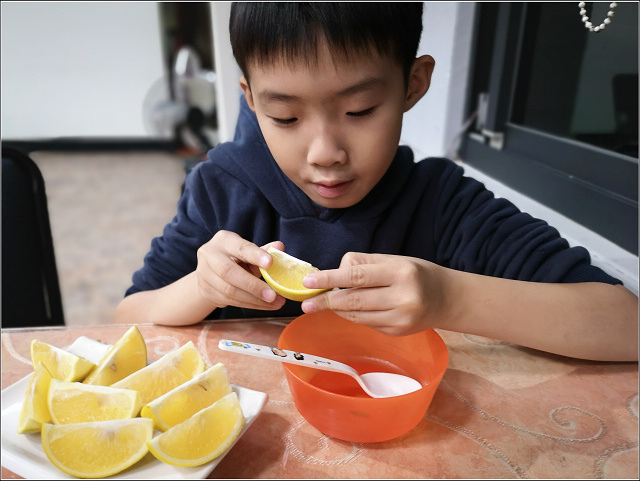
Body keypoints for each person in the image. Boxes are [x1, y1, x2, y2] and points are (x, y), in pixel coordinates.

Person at [115, 2, 638, 362]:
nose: (325, 154)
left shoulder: (442, 204)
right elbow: (127, 318)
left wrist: (450, 298)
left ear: (413, 84)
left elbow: (623, 322)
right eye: (285, 117)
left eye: (360, 109)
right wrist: (202, 288)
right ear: (252, 100)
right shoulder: (219, 190)